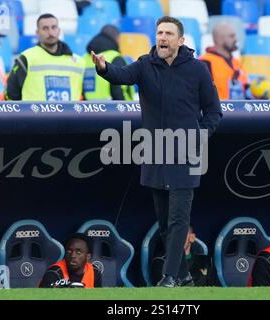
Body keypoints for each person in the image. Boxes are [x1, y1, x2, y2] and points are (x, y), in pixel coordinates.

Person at [92, 16, 222, 287]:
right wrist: (104, 67)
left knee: (178, 220)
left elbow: (213, 111)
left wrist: (200, 136)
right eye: (159, 33)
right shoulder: (144, 64)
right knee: (164, 223)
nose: (162, 38)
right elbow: (121, 75)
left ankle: (170, 277)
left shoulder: (198, 70)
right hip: (155, 154)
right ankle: (185, 275)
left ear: (181, 40)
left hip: (186, 155)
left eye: (168, 33)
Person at [5, 13, 85, 101]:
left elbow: (85, 96)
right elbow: (11, 93)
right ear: (37, 33)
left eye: (53, 27)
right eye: (45, 28)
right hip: (34, 114)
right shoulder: (27, 58)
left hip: (69, 114)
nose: (50, 32)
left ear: (59, 30)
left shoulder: (78, 62)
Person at [82, 25, 134, 100]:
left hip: (88, 109)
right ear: (116, 38)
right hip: (111, 109)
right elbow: (118, 89)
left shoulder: (84, 58)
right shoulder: (115, 57)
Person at [199, 22, 249, 100]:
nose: (236, 39)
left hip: (240, 109)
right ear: (219, 40)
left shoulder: (237, 62)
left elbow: (246, 91)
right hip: (219, 110)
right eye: (231, 36)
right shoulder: (205, 62)